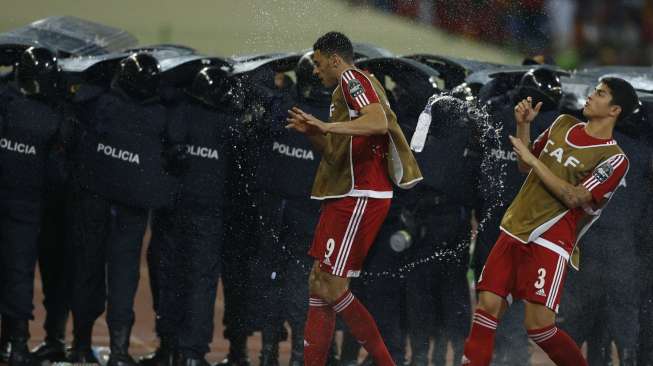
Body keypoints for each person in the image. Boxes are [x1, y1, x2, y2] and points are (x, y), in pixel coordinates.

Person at [461, 77, 639, 366]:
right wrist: (523, 125)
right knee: (486, 308)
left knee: (539, 326)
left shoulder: (614, 158)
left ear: (615, 110)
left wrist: (533, 161)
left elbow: (574, 197)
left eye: (601, 93)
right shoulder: (563, 124)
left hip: (551, 238)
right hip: (515, 227)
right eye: (594, 89)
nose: (591, 95)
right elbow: (524, 163)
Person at [286, 31, 422, 366]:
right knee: (318, 282)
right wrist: (317, 133)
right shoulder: (341, 93)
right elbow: (339, 151)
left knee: (332, 286)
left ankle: (386, 362)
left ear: (335, 59)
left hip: (361, 194)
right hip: (345, 192)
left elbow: (377, 122)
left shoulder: (353, 78)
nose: (315, 71)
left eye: (318, 64)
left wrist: (327, 127)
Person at [67, 52, 182, 366]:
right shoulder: (160, 116)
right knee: (124, 276)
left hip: (93, 201)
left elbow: (78, 99)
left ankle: (79, 347)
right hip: (132, 209)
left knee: (87, 271)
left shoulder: (100, 104)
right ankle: (119, 352)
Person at [0, 47, 70, 366]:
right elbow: (58, 170)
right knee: (17, 273)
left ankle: (9, 343)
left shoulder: (5, 100)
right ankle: (15, 344)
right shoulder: (49, 116)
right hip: (26, 206)